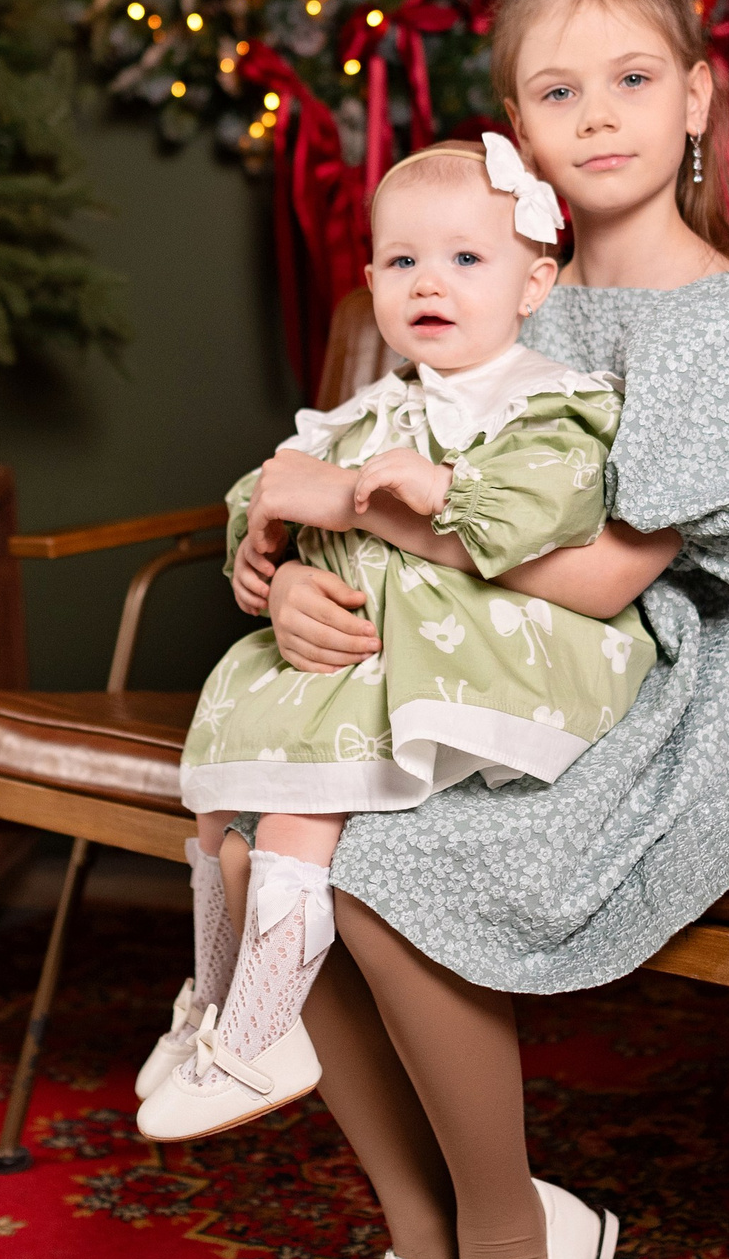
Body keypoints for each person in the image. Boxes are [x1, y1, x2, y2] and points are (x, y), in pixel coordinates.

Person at [228, 0, 729, 1259]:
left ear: (699, 97)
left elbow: (601, 578)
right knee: (259, 851)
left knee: (387, 867)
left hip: (680, 684)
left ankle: (520, 1248)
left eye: (633, 79)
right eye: (558, 91)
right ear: (515, 131)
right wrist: (293, 578)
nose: (599, 116)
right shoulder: (498, 288)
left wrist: (371, 516)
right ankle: (425, 1248)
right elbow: (350, 473)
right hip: (472, 660)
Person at [138, 134, 657, 1146]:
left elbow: (546, 507)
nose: (431, 281)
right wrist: (264, 550)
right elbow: (273, 482)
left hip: (498, 650)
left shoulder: (548, 399)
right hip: (384, 642)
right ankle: (214, 999)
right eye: (404, 260)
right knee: (218, 802)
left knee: (303, 801)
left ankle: (263, 1032)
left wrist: (445, 487)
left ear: (534, 284)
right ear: (372, 282)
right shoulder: (371, 411)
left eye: (466, 258)